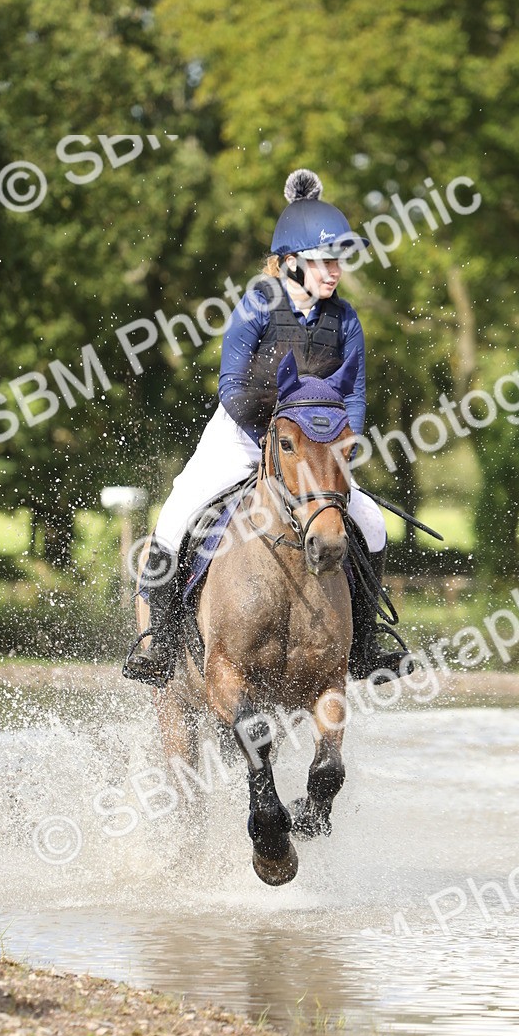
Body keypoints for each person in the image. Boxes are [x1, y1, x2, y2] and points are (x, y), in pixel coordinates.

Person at [125, 169, 410, 685]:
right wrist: (272, 442)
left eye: (339, 261)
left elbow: (355, 398)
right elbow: (232, 388)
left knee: (371, 523)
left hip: (314, 446)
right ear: (293, 263)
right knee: (175, 517)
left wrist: (336, 448)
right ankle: (158, 643)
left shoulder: (345, 320)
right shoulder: (258, 303)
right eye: (325, 261)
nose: (335, 271)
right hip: (242, 436)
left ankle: (367, 645)